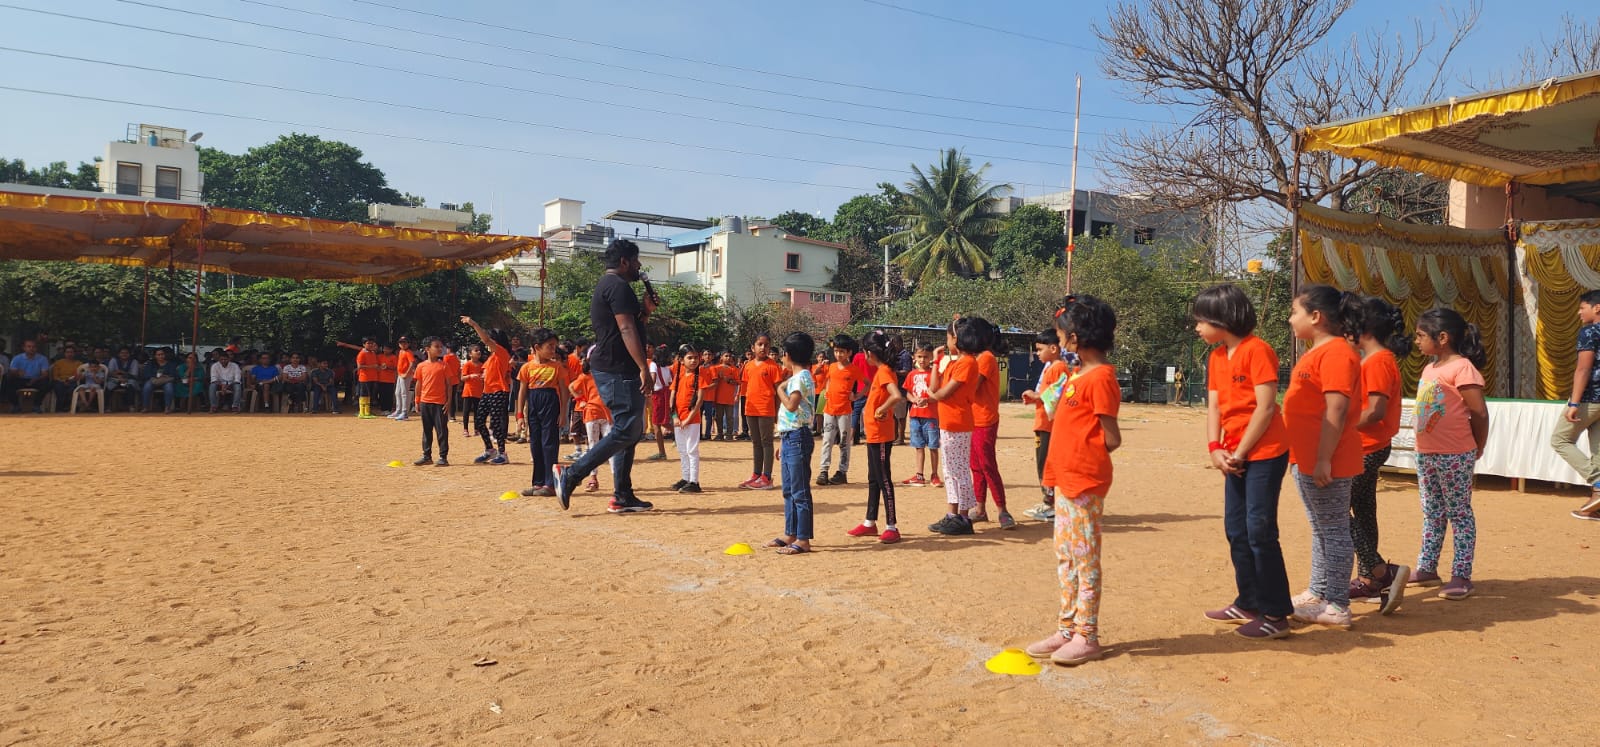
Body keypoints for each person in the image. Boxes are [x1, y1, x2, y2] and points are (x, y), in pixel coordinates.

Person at [1191, 284, 1295, 640]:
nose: (1197, 328)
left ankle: (1276, 613)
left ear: (1223, 318)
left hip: (1264, 452)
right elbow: (1215, 406)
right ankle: (1248, 601)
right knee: (1236, 529)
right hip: (1233, 452)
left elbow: (1266, 408)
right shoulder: (1217, 357)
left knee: (1260, 532)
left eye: (1202, 321)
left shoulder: (1258, 351)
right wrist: (1214, 447)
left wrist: (1239, 452)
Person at [1026, 294, 1121, 666]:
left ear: (1075, 339)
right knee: (1065, 557)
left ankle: (1087, 634)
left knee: (1084, 560)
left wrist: (1084, 457)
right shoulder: (1076, 375)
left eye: (1063, 335)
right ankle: (1067, 628)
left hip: (1084, 482)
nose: (1059, 340)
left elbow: (1111, 437)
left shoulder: (1100, 378)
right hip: (1066, 480)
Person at [553, 239, 656, 513]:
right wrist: (644, 367)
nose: (639, 266)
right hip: (617, 369)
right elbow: (625, 331)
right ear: (624, 262)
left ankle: (622, 495)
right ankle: (572, 474)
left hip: (618, 367)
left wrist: (645, 312)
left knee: (630, 431)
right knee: (625, 429)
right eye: (636, 261)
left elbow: (632, 325)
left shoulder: (611, 286)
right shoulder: (618, 287)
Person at [1283, 285, 1365, 630]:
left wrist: (1323, 459)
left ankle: (1337, 604)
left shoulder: (1336, 353)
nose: (1290, 320)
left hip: (1325, 459)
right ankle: (1319, 593)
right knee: (1321, 528)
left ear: (1316, 317)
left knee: (1333, 530)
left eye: (1295, 313)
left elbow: (1337, 407)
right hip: (1307, 457)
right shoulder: (1316, 353)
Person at [1410, 308, 1489, 601]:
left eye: (1420, 335)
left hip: (1455, 453)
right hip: (1427, 452)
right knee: (1432, 511)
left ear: (1442, 337)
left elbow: (1479, 412)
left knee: (1459, 512)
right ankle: (1427, 567)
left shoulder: (1463, 368)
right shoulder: (1430, 369)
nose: (1416, 341)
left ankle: (1461, 574)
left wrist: (1477, 446)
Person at [1347, 298, 1412, 614]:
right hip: (1369, 444)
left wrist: (1336, 426)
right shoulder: (1377, 359)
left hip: (1365, 445)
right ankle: (1370, 579)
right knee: (1363, 508)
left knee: (1334, 510)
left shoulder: (1377, 362)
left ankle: (1379, 570)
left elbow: (1374, 411)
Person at [847, 330, 906, 544]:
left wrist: (882, 407)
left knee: (884, 479)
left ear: (870, 353)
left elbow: (896, 395)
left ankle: (892, 525)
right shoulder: (881, 372)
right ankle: (870, 522)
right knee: (874, 478)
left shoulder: (885, 372)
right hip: (873, 434)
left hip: (881, 435)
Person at [926, 319, 981, 536]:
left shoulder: (968, 363)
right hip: (949, 423)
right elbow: (934, 387)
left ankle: (964, 516)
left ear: (956, 339)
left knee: (959, 472)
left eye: (949, 337)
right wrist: (934, 364)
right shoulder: (953, 363)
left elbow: (940, 394)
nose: (947, 341)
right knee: (950, 471)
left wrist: (932, 396)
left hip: (958, 423)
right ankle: (952, 514)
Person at [766, 332, 817, 555]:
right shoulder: (799, 377)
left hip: (798, 436)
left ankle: (803, 538)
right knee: (789, 490)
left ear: (788, 355)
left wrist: (779, 389)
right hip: (790, 437)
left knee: (800, 491)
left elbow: (791, 406)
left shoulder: (801, 377)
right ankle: (791, 533)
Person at [1556, 290, 1600, 520]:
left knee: (1560, 439)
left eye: (1583, 307)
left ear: (1597, 308)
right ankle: (1597, 503)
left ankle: (1597, 482)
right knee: (1598, 448)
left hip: (1591, 397)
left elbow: (1583, 368)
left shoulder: (1590, 332)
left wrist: (1574, 402)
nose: (1579, 312)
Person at [967, 317, 1013, 528]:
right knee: (976, 466)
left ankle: (1002, 510)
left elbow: (971, 387)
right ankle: (980, 508)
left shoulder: (985, 358)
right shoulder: (979, 358)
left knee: (987, 465)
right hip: (974, 419)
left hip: (984, 419)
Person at [1021, 329, 1070, 523]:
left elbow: (1058, 394)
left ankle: (1050, 503)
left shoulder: (1058, 367)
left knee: (1046, 464)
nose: (1038, 354)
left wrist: (1037, 396)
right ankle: (1050, 501)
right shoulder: (1051, 367)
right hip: (1044, 422)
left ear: (1053, 348)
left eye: (1040, 350)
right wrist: (1035, 399)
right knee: (1043, 463)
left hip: (1050, 424)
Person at [516, 328, 569, 497]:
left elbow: (564, 391)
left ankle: (550, 483)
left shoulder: (557, 367)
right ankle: (537, 483)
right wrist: (519, 416)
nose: (553, 350)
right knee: (535, 443)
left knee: (549, 444)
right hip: (534, 403)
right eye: (550, 346)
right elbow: (522, 392)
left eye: (554, 346)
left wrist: (563, 414)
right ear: (537, 347)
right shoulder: (526, 367)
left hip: (550, 402)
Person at [461, 317, 514, 466]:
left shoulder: (501, 352)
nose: (487, 342)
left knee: (496, 422)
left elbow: (485, 339)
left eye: (491, 339)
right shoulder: (492, 357)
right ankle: (490, 450)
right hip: (487, 392)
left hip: (498, 391)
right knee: (479, 421)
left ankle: (503, 453)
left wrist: (473, 323)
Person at [739, 334, 785, 490]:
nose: (763, 348)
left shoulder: (773, 366)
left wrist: (777, 411)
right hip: (751, 409)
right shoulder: (748, 366)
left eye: (766, 345)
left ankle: (767, 476)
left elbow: (778, 390)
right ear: (753, 347)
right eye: (759, 344)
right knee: (756, 443)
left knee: (766, 442)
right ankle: (756, 474)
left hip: (766, 409)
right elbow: (746, 389)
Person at [818, 335, 860, 486]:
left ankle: (842, 472)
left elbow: (867, 383)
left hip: (845, 412)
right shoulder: (832, 367)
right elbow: (828, 380)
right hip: (829, 410)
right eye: (836, 351)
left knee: (844, 442)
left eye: (842, 351)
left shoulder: (854, 369)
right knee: (827, 440)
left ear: (849, 352)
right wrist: (828, 392)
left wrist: (856, 396)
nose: (838, 354)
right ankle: (823, 471)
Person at [570, 359, 615, 493]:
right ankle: (593, 478)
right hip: (592, 413)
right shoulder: (585, 377)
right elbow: (571, 387)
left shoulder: (607, 375)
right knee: (593, 447)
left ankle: (617, 480)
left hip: (606, 414)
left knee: (611, 447)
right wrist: (581, 400)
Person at [901, 344, 942, 489]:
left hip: (931, 415)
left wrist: (927, 400)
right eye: (919, 356)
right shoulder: (912, 374)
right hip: (915, 415)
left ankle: (935, 474)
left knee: (933, 446)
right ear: (914, 357)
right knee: (918, 446)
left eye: (925, 357)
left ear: (931, 357)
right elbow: (907, 392)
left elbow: (938, 395)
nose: (922, 359)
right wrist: (913, 399)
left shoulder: (935, 374)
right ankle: (919, 475)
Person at [669, 345, 706, 494]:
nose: (693, 361)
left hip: (692, 420)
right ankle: (685, 478)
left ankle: (694, 481)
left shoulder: (700, 378)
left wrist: (688, 418)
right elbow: (672, 398)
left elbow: (699, 401)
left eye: (695, 358)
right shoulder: (678, 378)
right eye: (689, 358)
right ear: (681, 360)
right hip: (679, 420)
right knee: (682, 450)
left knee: (692, 450)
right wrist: (675, 416)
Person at [412, 337, 452, 467]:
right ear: (427, 349)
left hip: (439, 402)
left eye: (441, 346)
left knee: (441, 430)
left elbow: (449, 384)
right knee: (426, 430)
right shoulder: (421, 366)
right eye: (437, 346)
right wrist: (417, 400)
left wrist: (449, 401)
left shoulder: (444, 365)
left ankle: (443, 457)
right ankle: (426, 456)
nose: (440, 349)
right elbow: (419, 383)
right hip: (425, 402)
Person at [336, 338, 382, 418]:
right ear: (364, 344)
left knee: (369, 395)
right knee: (363, 395)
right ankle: (362, 412)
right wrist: (372, 366)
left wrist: (379, 367)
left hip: (372, 377)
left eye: (372, 343)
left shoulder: (372, 353)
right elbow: (360, 366)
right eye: (369, 343)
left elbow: (375, 365)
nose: (371, 345)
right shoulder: (362, 353)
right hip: (364, 377)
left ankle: (367, 411)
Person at [4, 339, 50, 413]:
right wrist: (17, 372)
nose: (31, 348)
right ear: (24, 348)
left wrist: (36, 379)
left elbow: (45, 374)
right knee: (8, 382)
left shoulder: (42, 359)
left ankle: (36, 405)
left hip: (36, 380)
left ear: (36, 348)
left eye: (33, 347)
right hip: (20, 380)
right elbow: (11, 372)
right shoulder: (17, 358)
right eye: (29, 346)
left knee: (46, 383)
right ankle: (16, 405)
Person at [646, 348, 672, 461]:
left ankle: (662, 452)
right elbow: (671, 383)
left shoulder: (653, 365)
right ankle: (681, 434)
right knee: (664, 422)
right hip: (666, 394)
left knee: (656, 423)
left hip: (658, 395)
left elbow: (653, 378)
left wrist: (648, 391)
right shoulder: (667, 369)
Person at [141, 347, 179, 413]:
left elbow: (174, 375)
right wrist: (155, 377)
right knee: (147, 387)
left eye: (162, 354)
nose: (160, 356)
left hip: (166, 381)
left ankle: (167, 407)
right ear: (155, 356)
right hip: (154, 380)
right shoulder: (151, 363)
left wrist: (165, 376)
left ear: (165, 355)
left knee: (169, 388)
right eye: (158, 355)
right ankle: (145, 407)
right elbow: (147, 374)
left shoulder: (171, 364)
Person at [713, 351, 739, 441]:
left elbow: (738, 382)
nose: (728, 358)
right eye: (726, 356)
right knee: (718, 417)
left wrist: (728, 380)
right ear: (721, 357)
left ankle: (729, 435)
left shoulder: (734, 369)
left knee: (730, 417)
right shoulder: (716, 368)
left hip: (729, 398)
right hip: (718, 397)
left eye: (729, 356)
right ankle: (720, 434)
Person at [49, 345, 83, 412]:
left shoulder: (79, 364)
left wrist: (71, 380)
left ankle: (69, 407)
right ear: (64, 353)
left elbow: (79, 376)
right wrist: (63, 381)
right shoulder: (58, 363)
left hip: (73, 381)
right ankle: (60, 408)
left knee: (72, 388)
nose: (69, 354)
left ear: (74, 353)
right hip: (60, 381)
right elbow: (55, 376)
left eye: (71, 352)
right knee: (59, 387)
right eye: (67, 352)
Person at [460, 345, 485, 437]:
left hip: (478, 391)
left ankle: (476, 429)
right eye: (476, 350)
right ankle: (465, 429)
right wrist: (470, 376)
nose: (479, 352)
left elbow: (484, 375)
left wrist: (483, 377)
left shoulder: (482, 365)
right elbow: (462, 378)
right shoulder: (467, 364)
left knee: (477, 411)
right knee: (466, 411)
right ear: (470, 354)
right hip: (468, 391)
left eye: (479, 350)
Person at [391, 337, 415, 421]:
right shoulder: (401, 351)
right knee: (397, 392)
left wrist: (406, 373)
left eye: (405, 343)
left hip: (405, 375)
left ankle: (404, 412)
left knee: (404, 393)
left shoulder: (408, 352)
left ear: (408, 344)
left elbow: (412, 363)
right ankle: (398, 410)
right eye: (401, 343)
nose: (403, 344)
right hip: (400, 374)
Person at [377, 344, 399, 415]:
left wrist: (388, 368)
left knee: (389, 395)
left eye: (387, 349)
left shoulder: (394, 357)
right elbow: (376, 365)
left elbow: (396, 368)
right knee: (381, 394)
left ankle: (388, 409)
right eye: (384, 348)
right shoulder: (379, 356)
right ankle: (382, 409)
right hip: (380, 378)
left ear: (391, 350)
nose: (385, 350)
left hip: (390, 379)